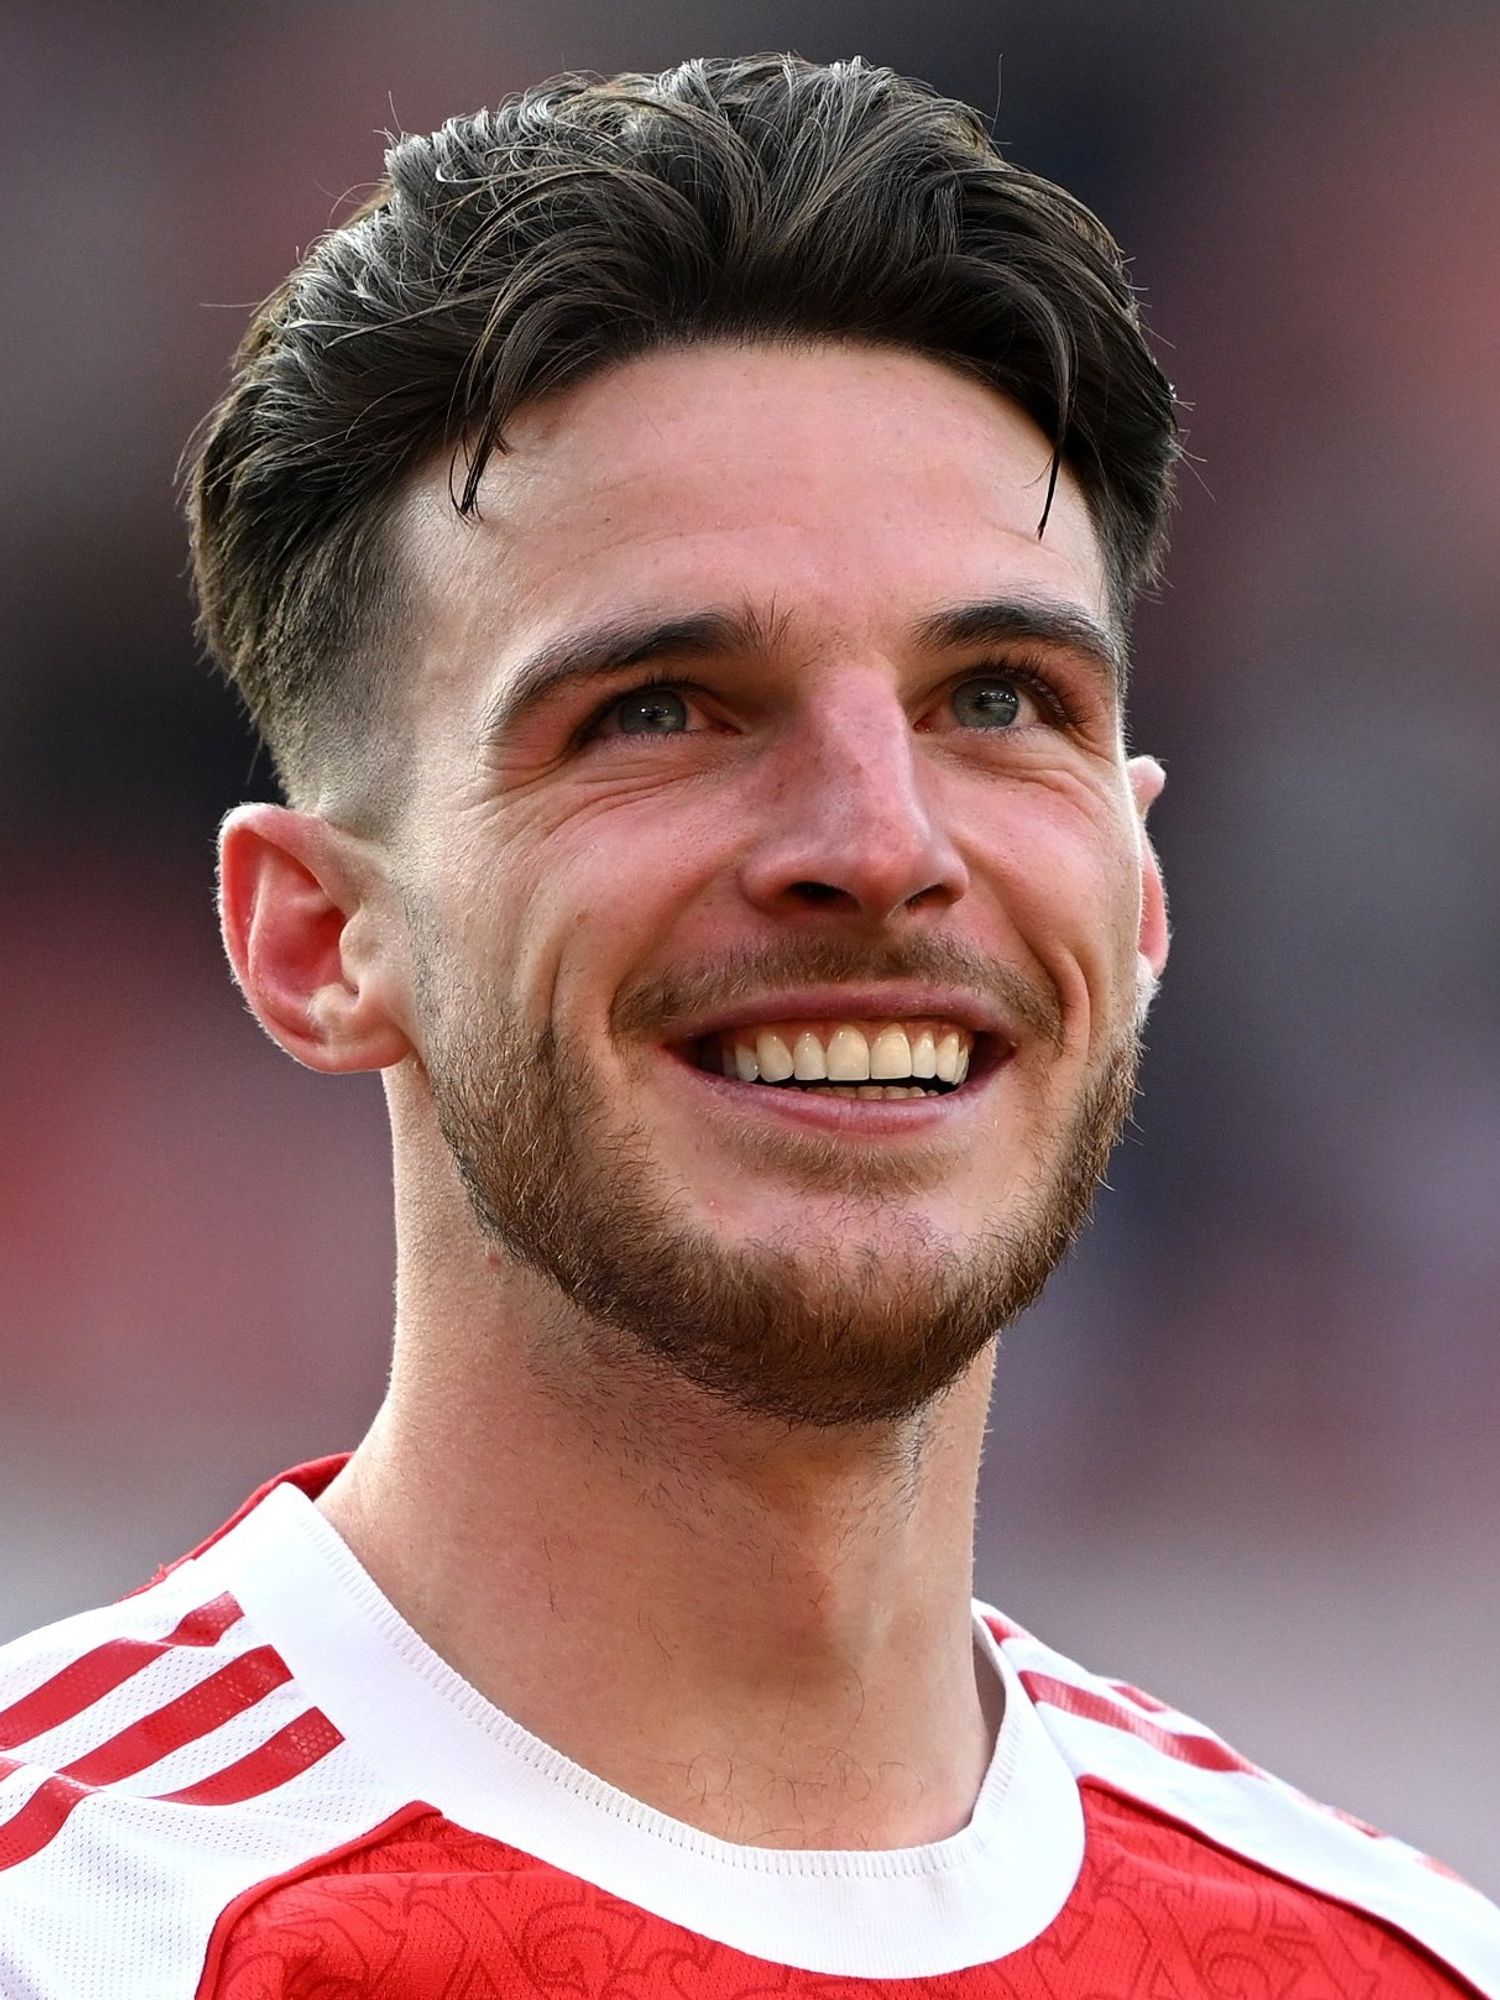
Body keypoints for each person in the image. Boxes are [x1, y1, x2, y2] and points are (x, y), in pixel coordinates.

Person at [0, 52, 1494, 1998]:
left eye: (1000, 701)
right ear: (316, 934)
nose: (881, 846)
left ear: (1137, 898)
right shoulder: (76, 1924)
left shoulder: (1398, 1969)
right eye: (660, 709)